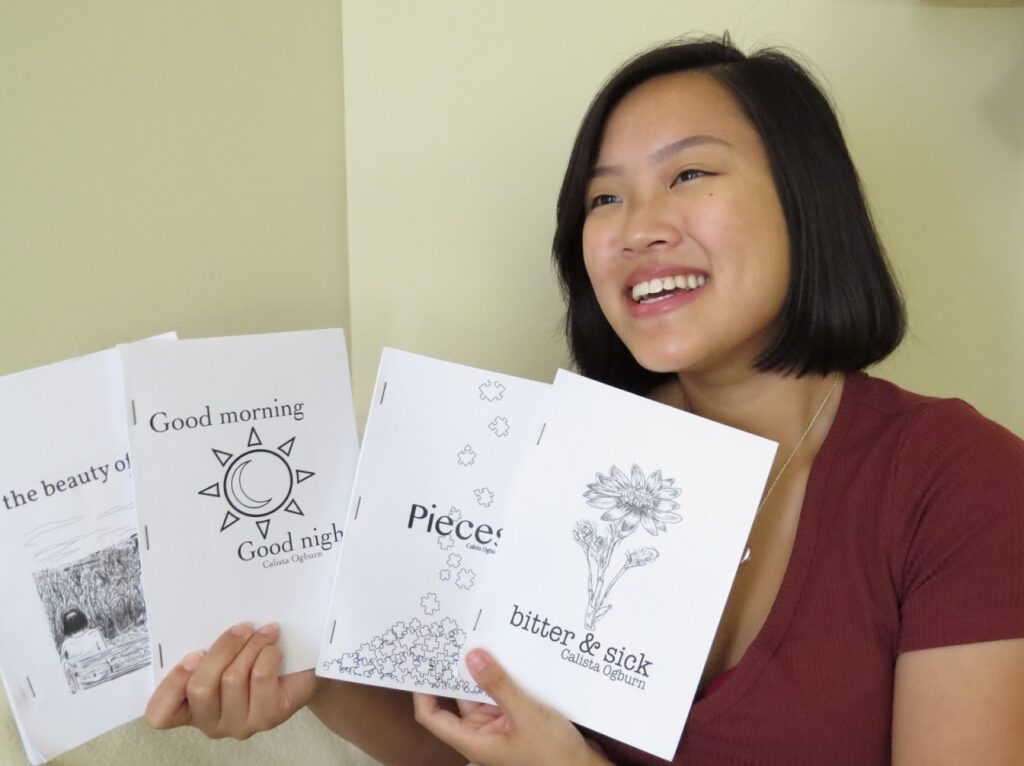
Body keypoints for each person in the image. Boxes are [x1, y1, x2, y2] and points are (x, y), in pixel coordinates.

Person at [144, 37, 1024, 764]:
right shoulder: (537, 458)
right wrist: (323, 681)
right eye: (604, 197)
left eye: (688, 176)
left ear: (807, 200)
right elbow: (474, 748)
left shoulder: (959, 480)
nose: (637, 227)